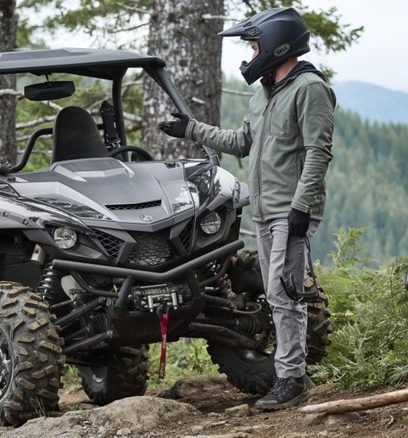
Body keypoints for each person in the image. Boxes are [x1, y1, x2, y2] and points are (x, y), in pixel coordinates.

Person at [159, 7, 335, 410]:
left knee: (283, 291)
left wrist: (301, 209)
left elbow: (317, 154)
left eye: (255, 45)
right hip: (264, 209)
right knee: (279, 292)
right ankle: (291, 374)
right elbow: (241, 141)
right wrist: (190, 129)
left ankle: (292, 380)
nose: (251, 53)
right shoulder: (264, 91)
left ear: (277, 45)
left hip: (291, 210)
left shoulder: (310, 88)